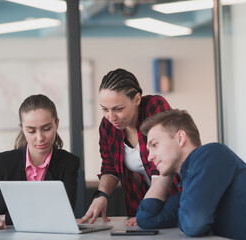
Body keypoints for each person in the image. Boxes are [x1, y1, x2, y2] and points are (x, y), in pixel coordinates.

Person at [136, 109, 246, 239]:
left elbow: (193, 224)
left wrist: (166, 164)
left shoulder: (211, 154)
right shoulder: (192, 180)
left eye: (155, 145)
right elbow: (147, 219)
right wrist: (165, 173)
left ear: (180, 138)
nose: (150, 157)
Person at [0, 94, 80, 230]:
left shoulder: (68, 163)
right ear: (22, 128)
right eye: (31, 130)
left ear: (57, 124)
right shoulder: (0, 163)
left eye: (46, 129)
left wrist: (4, 218)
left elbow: (61, 213)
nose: (40, 137)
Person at [78, 68, 181, 226]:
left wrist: (148, 210)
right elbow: (110, 167)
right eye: (105, 109)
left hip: (174, 198)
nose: (111, 117)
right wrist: (101, 195)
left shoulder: (154, 107)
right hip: (138, 205)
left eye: (118, 109)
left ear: (137, 99)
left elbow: (161, 164)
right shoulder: (107, 126)